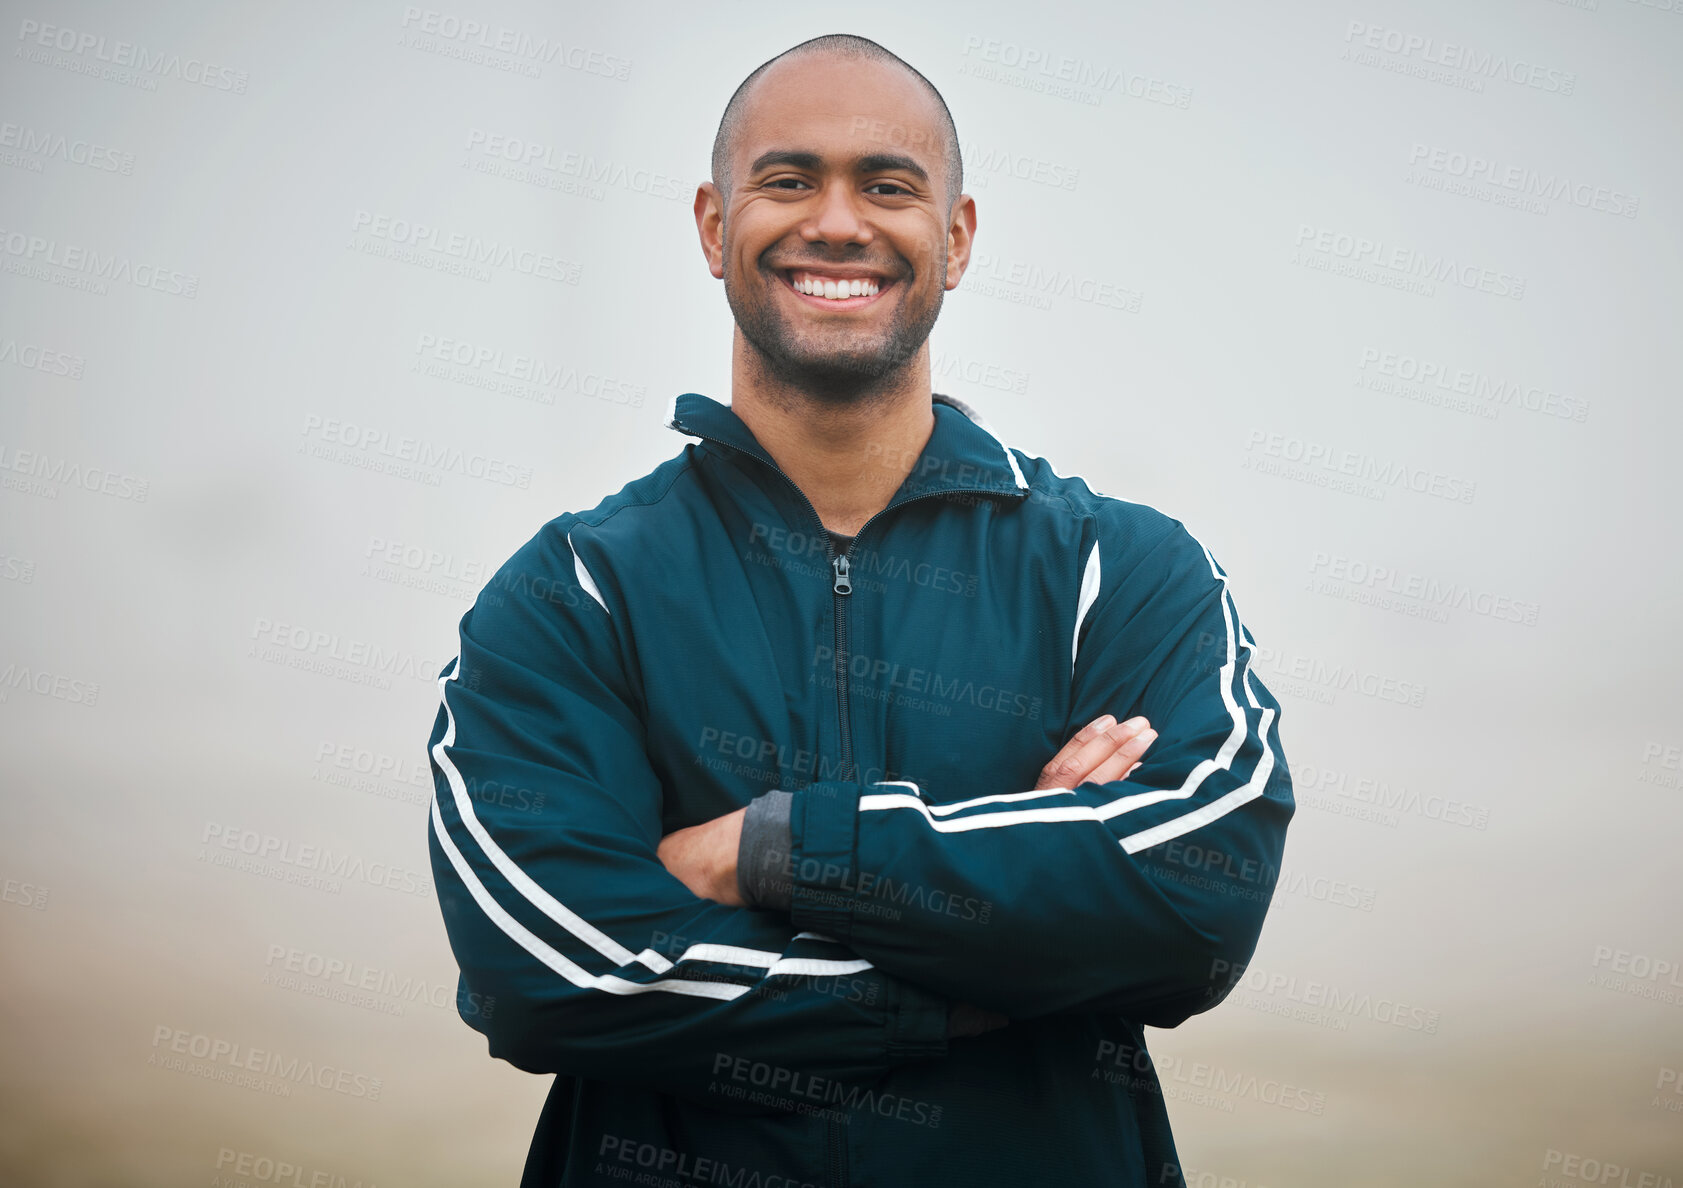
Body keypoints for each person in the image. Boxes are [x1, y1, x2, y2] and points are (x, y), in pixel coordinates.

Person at [426, 32, 1294, 1188]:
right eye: (787, 180)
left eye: (889, 185)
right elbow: (548, 975)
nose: (838, 222)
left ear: (958, 235)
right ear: (711, 225)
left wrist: (774, 853)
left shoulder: (1117, 572)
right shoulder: (575, 592)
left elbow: (1199, 894)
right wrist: (997, 945)